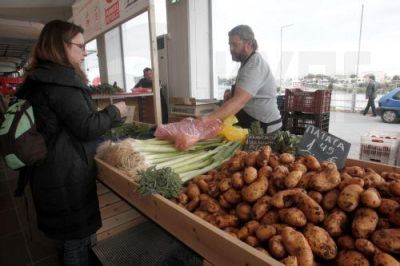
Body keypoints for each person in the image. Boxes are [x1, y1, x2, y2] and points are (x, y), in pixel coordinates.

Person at [15, 20, 127, 266]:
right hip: (65, 176)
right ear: (61, 46)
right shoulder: (61, 82)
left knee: (69, 240)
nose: (85, 52)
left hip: (50, 170)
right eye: (80, 46)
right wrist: (115, 111)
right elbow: (87, 128)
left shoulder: (39, 79)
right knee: (76, 242)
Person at [202, 25, 282, 134]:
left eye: (235, 45)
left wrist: (205, 121)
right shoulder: (247, 62)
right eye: (230, 45)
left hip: (265, 129)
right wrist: (232, 95)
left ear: (248, 44)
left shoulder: (254, 65)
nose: (231, 49)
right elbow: (245, 95)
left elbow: (238, 102)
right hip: (253, 124)